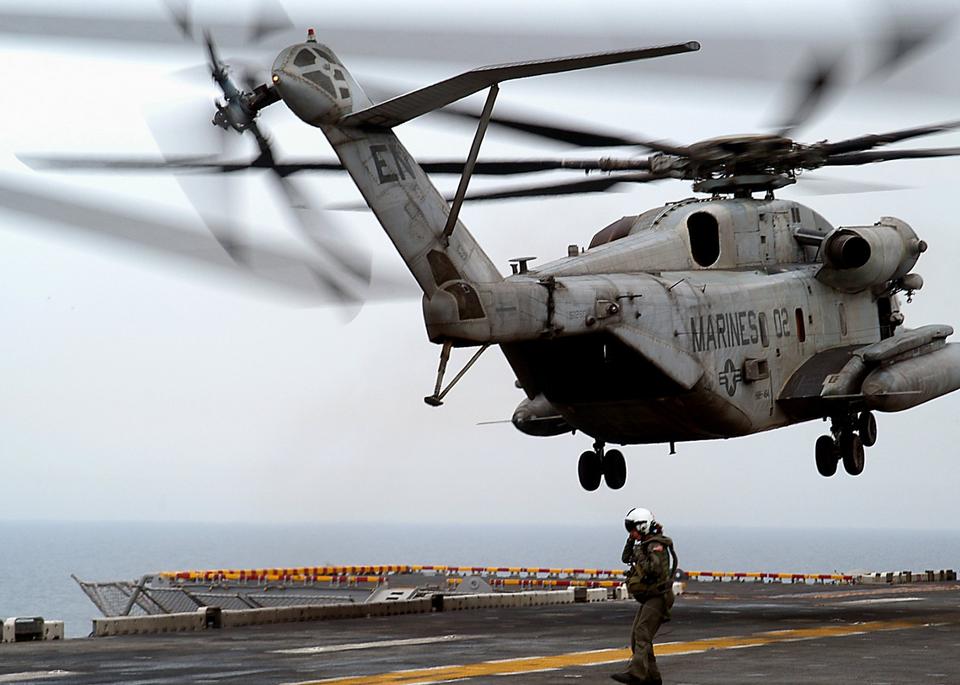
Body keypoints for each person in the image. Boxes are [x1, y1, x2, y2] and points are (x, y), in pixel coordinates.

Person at [611, 507, 679, 685]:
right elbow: (625, 557)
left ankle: (637, 674)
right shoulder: (644, 544)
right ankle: (653, 678)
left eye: (632, 529)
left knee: (642, 632)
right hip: (651, 596)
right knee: (638, 636)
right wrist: (631, 541)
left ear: (642, 526)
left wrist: (640, 553)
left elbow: (654, 569)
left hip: (659, 596)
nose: (631, 533)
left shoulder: (656, 545)